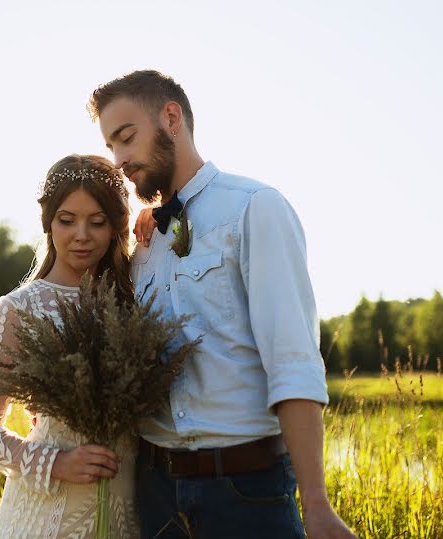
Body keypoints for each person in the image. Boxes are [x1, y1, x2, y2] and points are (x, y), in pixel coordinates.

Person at [89, 70, 357, 539]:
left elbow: (292, 361)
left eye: (125, 138)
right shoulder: (143, 241)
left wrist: (316, 504)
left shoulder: (255, 207)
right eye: (110, 145)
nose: (118, 159)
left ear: (171, 118)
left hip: (245, 492)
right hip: (153, 493)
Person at [0, 154, 140, 538]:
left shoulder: (135, 301)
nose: (81, 235)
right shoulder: (19, 308)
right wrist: (56, 463)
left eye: (97, 222)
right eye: (67, 220)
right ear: (48, 222)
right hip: (46, 516)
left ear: (115, 227)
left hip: (128, 512)